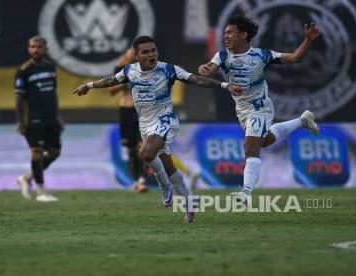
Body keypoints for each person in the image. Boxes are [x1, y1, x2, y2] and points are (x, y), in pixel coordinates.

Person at [73, 36, 245, 223]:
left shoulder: (169, 69)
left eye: (153, 50)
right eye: (145, 52)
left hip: (166, 121)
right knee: (168, 165)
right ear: (137, 56)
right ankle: (190, 202)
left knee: (145, 153)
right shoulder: (130, 70)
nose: (151, 54)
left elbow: (197, 80)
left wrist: (225, 85)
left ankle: (165, 188)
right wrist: (88, 86)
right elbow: (111, 80)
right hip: (145, 124)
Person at [198, 15, 321, 203]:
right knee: (264, 141)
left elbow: (296, 57)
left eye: (230, 32)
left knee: (250, 147)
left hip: (260, 108)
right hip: (242, 110)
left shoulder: (262, 55)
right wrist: (206, 69)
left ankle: (246, 192)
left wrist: (309, 40)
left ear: (244, 35)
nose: (226, 36)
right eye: (225, 33)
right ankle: (303, 121)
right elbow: (211, 68)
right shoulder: (223, 56)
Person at [15, 36, 64, 202]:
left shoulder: (51, 67)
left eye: (39, 47)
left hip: (51, 118)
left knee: (54, 152)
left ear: (46, 49)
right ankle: (41, 192)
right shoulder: (24, 70)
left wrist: (58, 116)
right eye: (32, 47)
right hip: (33, 118)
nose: (35, 50)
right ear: (29, 49)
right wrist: (20, 121)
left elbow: (54, 94)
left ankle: (27, 178)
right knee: (36, 153)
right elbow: (19, 100)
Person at [108, 48, 148, 193]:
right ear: (125, 56)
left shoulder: (145, 69)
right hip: (125, 110)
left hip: (141, 111)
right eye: (130, 53)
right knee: (131, 149)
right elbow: (110, 91)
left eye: (135, 53)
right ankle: (137, 180)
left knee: (141, 146)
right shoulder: (119, 70)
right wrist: (125, 81)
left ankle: (142, 179)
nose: (133, 55)